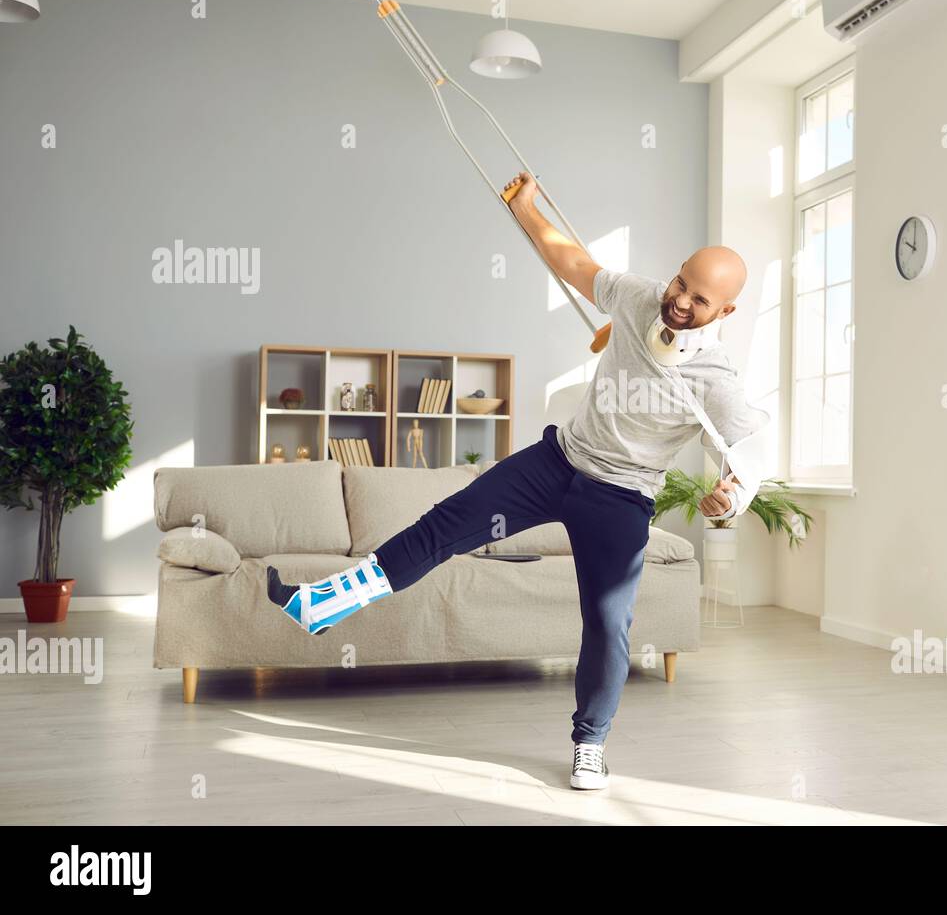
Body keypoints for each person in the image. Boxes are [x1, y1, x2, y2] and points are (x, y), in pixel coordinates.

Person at [264, 171, 771, 790]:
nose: (680, 302)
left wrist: (729, 498)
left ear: (726, 311)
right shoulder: (639, 298)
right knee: (441, 528)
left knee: (608, 624)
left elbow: (746, 453)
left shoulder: (715, 376)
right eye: (680, 284)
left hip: (622, 497)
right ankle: (319, 604)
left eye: (698, 301)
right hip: (557, 464)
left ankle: (590, 744)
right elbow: (574, 262)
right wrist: (527, 208)